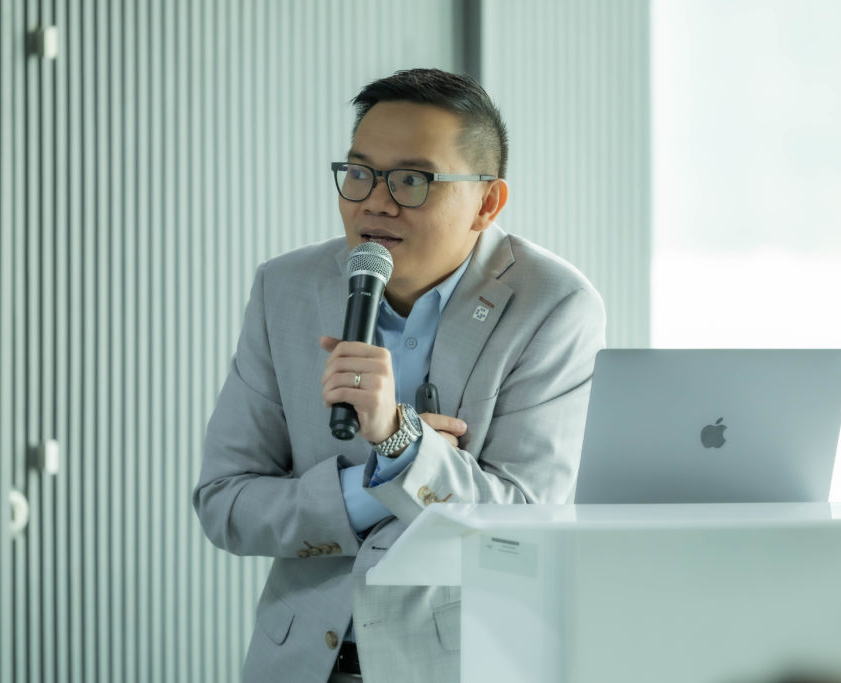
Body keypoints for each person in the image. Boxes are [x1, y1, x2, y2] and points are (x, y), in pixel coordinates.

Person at [193, 68, 607, 683]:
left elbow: (526, 527)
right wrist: (382, 480)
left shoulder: (552, 304)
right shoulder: (285, 288)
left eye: (413, 180)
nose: (375, 202)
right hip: (296, 662)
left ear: (486, 203)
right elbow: (226, 505)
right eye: (359, 173)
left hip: (460, 665)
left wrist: (399, 438)